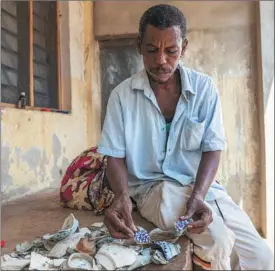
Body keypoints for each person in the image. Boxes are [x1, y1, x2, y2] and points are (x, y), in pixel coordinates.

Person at [60, 4, 274, 270]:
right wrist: (123, 196)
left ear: (183, 48)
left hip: (205, 190)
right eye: (152, 50)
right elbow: (114, 157)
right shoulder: (122, 97)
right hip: (154, 189)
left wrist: (199, 194)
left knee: (263, 258)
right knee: (216, 240)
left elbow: (213, 148)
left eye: (171, 51)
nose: (161, 60)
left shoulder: (204, 89)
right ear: (140, 46)